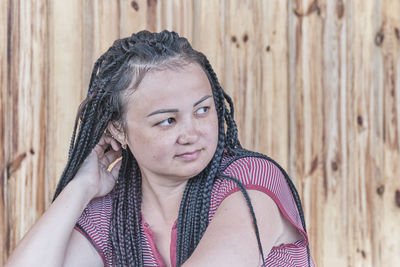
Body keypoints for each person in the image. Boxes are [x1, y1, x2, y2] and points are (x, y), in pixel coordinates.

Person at [5, 30, 313, 267]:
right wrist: (80, 188)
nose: (191, 133)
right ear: (118, 129)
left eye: (203, 110)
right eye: (167, 121)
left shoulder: (249, 182)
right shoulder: (113, 213)